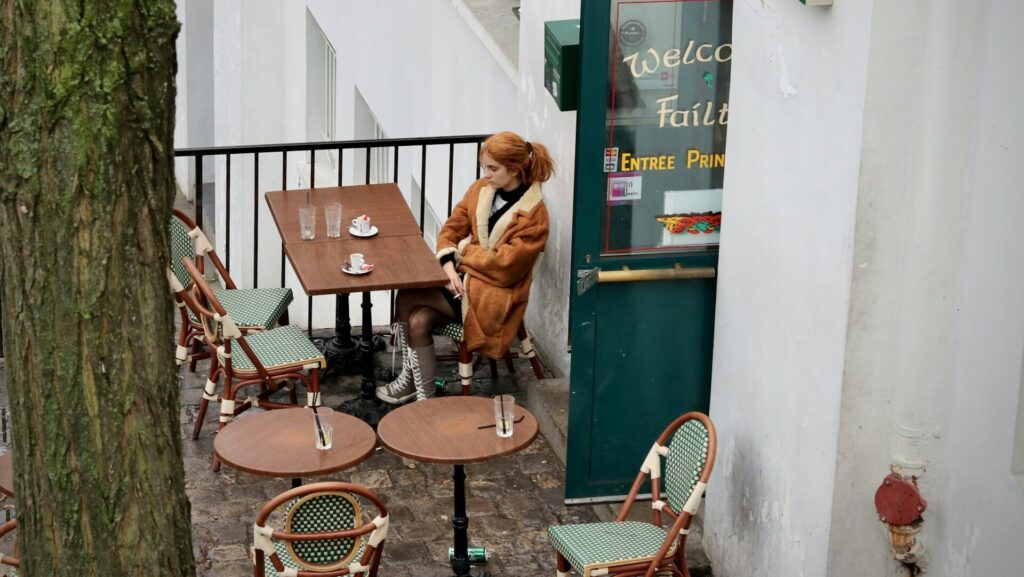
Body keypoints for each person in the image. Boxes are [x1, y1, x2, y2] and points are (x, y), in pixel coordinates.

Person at [377, 131, 554, 404]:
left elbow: (504, 268)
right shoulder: (480, 190)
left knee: (408, 295)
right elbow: (449, 231)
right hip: (464, 282)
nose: (486, 174)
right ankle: (424, 397)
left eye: (493, 168)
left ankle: (411, 384)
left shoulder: (533, 215)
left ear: (515, 169)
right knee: (418, 319)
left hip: (494, 297)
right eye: (484, 166)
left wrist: (463, 252)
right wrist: (449, 266)